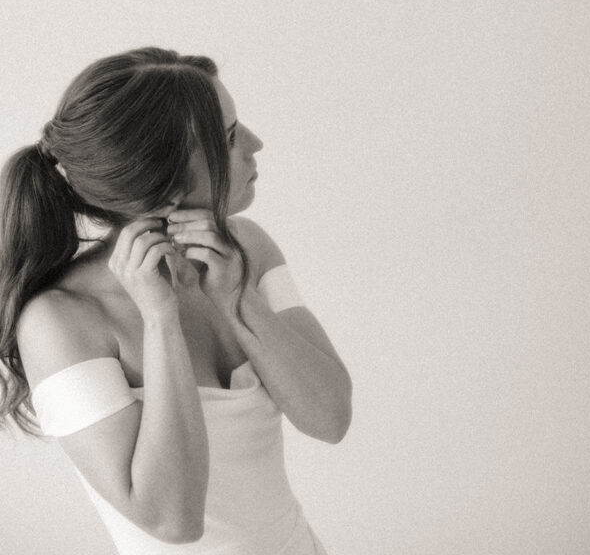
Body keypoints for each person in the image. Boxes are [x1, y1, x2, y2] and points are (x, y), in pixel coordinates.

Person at [0, 47, 352, 554]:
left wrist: (238, 301)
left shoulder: (247, 247)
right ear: (164, 187)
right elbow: (172, 519)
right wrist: (159, 319)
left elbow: (330, 417)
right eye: (229, 138)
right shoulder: (59, 321)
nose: (255, 143)